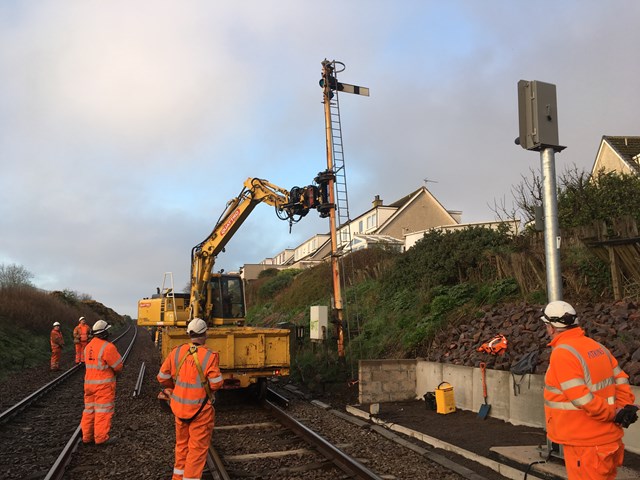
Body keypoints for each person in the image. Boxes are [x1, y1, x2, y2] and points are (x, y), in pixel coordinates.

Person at [541, 300, 638, 479]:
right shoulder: (596, 347)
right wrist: (622, 408)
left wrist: (613, 413)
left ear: (551, 328)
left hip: (585, 444)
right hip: (608, 440)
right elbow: (621, 379)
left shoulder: (563, 353)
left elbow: (581, 398)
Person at [157, 318, 223, 480]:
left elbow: (162, 377)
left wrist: (174, 387)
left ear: (189, 334)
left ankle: (178, 477)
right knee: (197, 450)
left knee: (181, 447)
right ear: (205, 334)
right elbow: (216, 383)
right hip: (200, 411)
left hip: (179, 408)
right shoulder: (209, 356)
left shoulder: (176, 352)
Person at [81, 319, 123, 445]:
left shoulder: (88, 347)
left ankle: (87, 437)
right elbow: (118, 366)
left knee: (89, 411)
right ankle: (101, 438)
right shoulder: (107, 347)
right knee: (102, 411)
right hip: (103, 386)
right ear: (104, 333)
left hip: (88, 385)